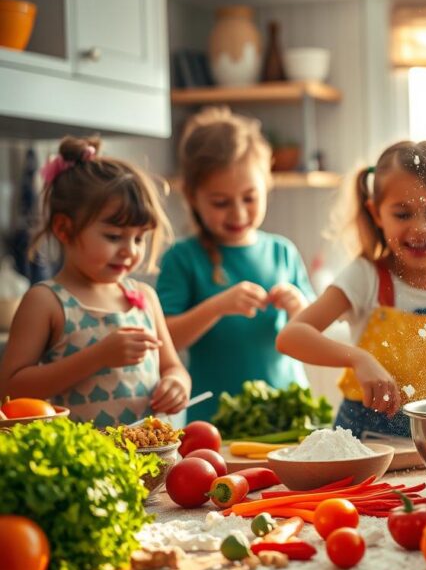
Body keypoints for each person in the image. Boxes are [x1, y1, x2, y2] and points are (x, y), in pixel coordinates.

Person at [277, 141, 426, 437]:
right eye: (403, 214)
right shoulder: (364, 278)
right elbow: (291, 337)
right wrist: (358, 358)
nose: (420, 228)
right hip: (364, 448)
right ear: (376, 213)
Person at [0, 136, 190, 427]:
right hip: (81, 466)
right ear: (64, 228)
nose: (131, 250)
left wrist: (177, 384)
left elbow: (172, 366)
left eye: (139, 237)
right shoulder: (47, 301)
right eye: (114, 237)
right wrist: (98, 356)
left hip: (150, 463)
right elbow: (11, 389)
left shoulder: (144, 297)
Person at [157, 107, 314, 422]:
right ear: (191, 196)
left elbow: (314, 332)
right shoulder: (182, 258)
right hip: (214, 422)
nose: (239, 213)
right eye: (220, 202)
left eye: (249, 198)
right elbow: (165, 340)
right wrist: (216, 306)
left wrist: (300, 308)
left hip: (291, 416)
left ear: (266, 185)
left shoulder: (282, 252)